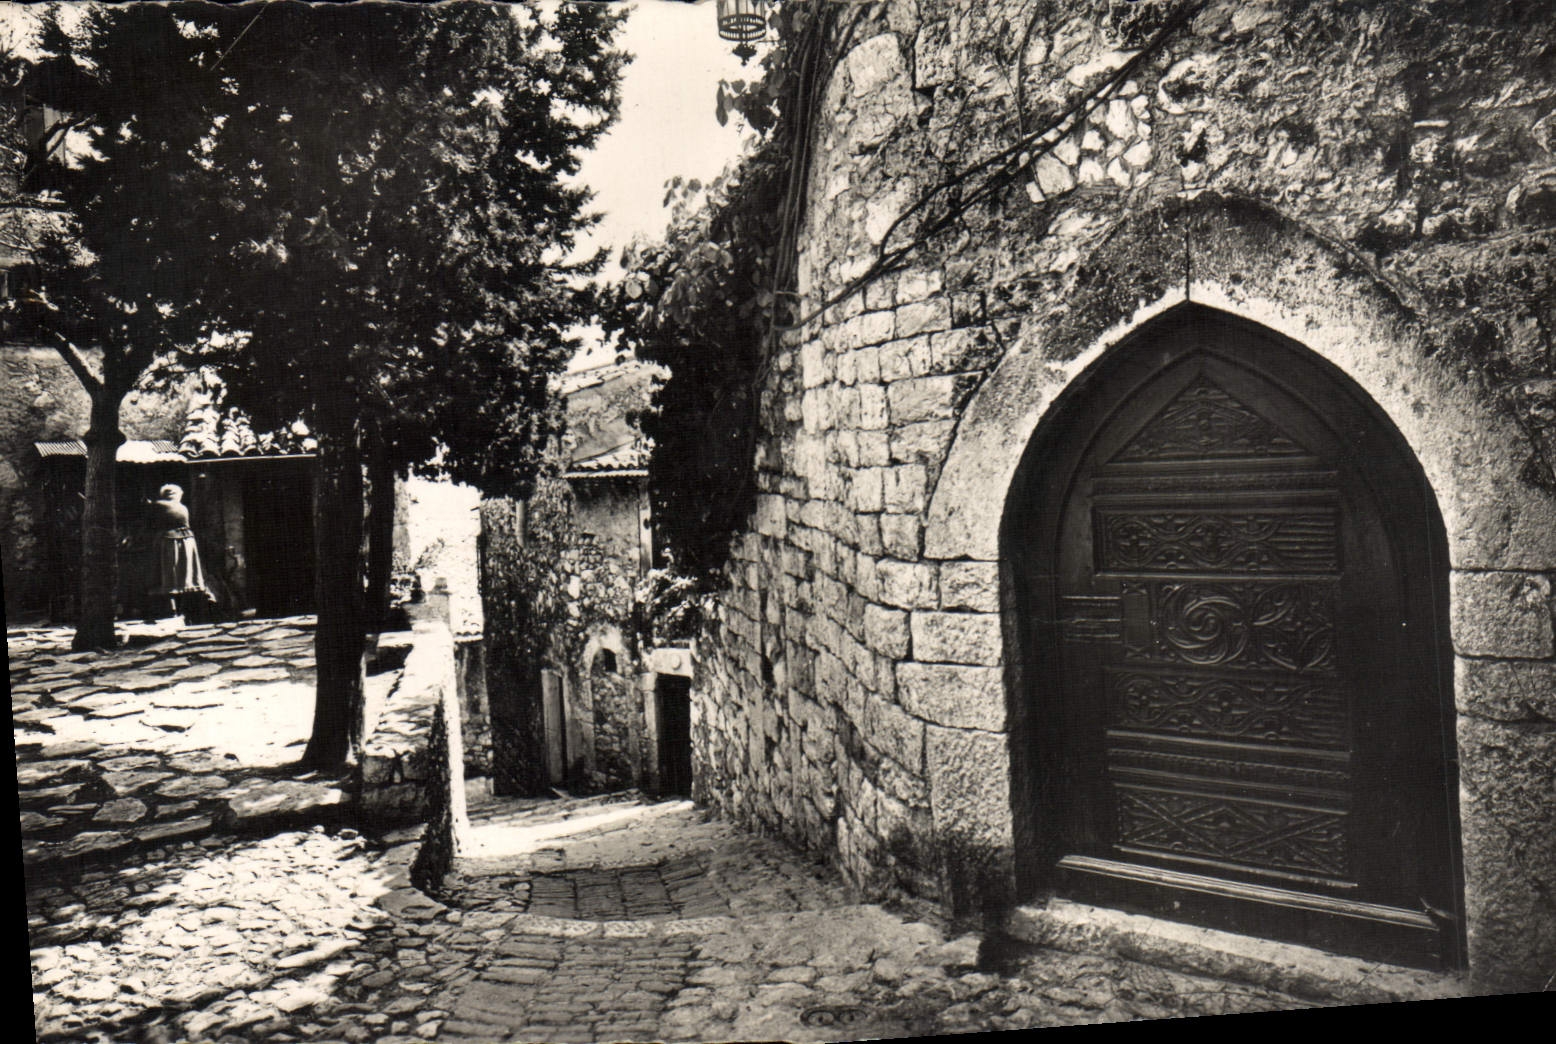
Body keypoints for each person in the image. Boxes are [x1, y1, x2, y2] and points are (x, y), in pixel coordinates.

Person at [148, 484, 214, 622]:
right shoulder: (181, 507)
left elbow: (150, 518)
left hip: (169, 542)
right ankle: (183, 609)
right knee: (185, 575)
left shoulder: (161, 505)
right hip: (187, 541)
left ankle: (174, 609)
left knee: (170, 574)